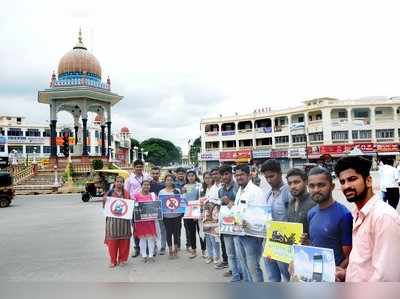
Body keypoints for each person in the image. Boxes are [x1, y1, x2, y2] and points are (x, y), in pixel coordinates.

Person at [334, 156, 400, 282]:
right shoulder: (358, 214)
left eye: (352, 179)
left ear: (368, 181)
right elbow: (364, 262)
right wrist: (347, 274)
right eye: (342, 182)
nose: (346, 186)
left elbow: (386, 278)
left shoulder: (383, 217)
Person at [305, 166, 353, 270]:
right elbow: (316, 244)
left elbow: (350, 257)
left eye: (321, 185)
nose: (316, 190)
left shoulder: (344, 215)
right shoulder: (311, 213)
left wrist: (333, 273)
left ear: (332, 186)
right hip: (316, 272)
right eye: (311, 186)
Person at [234, 164, 265, 282]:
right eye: (236, 175)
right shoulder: (240, 190)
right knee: (245, 265)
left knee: (253, 267)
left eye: (241, 174)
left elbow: (261, 217)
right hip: (239, 233)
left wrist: (247, 222)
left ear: (249, 175)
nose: (238, 177)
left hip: (252, 237)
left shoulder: (256, 192)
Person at [261, 159, 290, 282]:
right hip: (268, 242)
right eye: (266, 177)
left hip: (283, 243)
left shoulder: (288, 192)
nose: (269, 180)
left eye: (271, 176)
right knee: (272, 276)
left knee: (287, 276)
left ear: (280, 173)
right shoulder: (268, 194)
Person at [218, 164, 241, 282]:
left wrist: (229, 202)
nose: (224, 177)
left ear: (231, 174)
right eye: (222, 175)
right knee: (230, 252)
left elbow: (241, 207)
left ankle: (241, 273)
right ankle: (234, 273)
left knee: (238, 252)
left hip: (237, 225)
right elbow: (221, 209)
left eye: (226, 174)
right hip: (226, 226)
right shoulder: (220, 190)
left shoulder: (238, 188)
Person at [124, 160, 152, 258]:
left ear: (143, 167)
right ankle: (137, 248)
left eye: (141, 167)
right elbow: (126, 193)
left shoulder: (147, 176)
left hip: (147, 205)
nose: (139, 168)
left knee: (148, 227)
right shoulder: (129, 179)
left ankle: (149, 248)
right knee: (136, 228)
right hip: (134, 206)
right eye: (137, 167)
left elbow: (152, 185)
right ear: (134, 167)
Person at [103, 176, 131, 268]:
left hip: (124, 222)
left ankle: (122, 259)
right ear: (114, 182)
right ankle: (113, 261)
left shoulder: (126, 193)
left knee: (124, 241)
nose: (119, 183)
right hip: (112, 221)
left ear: (123, 183)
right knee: (112, 242)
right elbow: (104, 207)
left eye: (121, 182)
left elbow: (130, 206)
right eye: (117, 181)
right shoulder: (110, 193)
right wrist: (104, 201)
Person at [182, 170, 206, 259]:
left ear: (195, 176)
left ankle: (204, 250)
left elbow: (201, 198)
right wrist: (182, 192)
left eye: (192, 175)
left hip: (198, 211)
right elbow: (184, 200)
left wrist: (197, 212)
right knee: (191, 232)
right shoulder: (185, 187)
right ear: (187, 177)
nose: (191, 177)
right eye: (189, 176)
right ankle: (194, 250)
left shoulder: (199, 185)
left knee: (201, 232)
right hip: (188, 212)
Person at [133, 180, 157, 263]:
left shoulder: (153, 195)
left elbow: (156, 206)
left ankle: (150, 255)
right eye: (144, 185)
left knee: (151, 238)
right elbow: (134, 207)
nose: (146, 186)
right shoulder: (136, 196)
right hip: (140, 221)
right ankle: (144, 256)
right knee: (142, 238)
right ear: (141, 186)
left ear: (150, 186)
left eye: (148, 185)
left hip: (150, 220)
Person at [286, 168, 316, 234]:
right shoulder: (291, 202)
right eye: (289, 183)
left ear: (306, 182)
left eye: (296, 182)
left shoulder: (314, 203)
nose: (292, 186)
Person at [159, 174, 182, 259]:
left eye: (171, 180)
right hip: (166, 216)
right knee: (168, 233)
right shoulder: (161, 192)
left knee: (176, 233)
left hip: (177, 215)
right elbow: (160, 204)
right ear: (165, 182)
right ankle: (170, 250)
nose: (169, 181)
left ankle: (176, 250)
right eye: (167, 180)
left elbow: (180, 201)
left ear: (173, 181)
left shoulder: (177, 190)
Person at [150, 166, 166, 255]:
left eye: (157, 173)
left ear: (159, 174)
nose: (155, 175)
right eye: (153, 173)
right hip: (151, 209)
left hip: (162, 209)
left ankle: (163, 247)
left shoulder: (163, 185)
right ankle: (154, 246)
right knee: (153, 229)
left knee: (163, 229)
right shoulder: (148, 184)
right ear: (151, 174)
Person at [175, 167, 187, 251]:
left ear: (184, 175)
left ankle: (189, 244)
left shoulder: (188, 183)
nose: (181, 175)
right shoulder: (173, 184)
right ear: (176, 175)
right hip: (177, 208)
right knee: (177, 227)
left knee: (188, 226)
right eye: (179, 174)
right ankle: (178, 244)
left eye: (182, 174)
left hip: (187, 208)